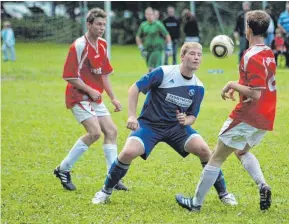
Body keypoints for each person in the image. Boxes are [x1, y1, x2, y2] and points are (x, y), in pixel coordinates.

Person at [91, 42, 237, 206]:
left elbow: (192, 117)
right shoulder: (164, 72)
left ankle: (224, 194)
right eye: (192, 54)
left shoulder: (198, 87)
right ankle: (104, 191)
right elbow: (134, 88)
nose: (196, 57)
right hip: (149, 125)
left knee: (205, 151)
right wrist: (132, 116)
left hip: (176, 128)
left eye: (199, 55)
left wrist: (185, 120)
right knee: (127, 153)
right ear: (182, 56)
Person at [175, 10, 276, 212]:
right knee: (241, 151)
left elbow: (255, 93)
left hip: (248, 115)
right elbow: (258, 83)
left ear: (248, 28)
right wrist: (236, 86)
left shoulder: (250, 55)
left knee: (215, 158)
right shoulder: (268, 52)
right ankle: (263, 185)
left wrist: (231, 83)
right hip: (266, 115)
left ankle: (195, 204)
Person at [54, 8, 127, 191]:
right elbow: (69, 76)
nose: (101, 28)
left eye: (104, 24)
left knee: (111, 131)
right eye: (98, 24)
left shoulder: (102, 44)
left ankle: (113, 177)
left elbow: (104, 74)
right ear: (89, 24)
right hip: (78, 95)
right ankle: (63, 169)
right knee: (95, 133)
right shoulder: (79, 45)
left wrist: (113, 98)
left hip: (95, 97)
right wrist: (90, 90)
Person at [136, 7, 172, 72]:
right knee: (150, 68)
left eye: (150, 14)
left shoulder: (158, 24)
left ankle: (156, 81)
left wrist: (169, 47)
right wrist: (141, 47)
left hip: (157, 49)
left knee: (155, 68)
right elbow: (138, 36)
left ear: (153, 14)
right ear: (145, 15)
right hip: (148, 50)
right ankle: (153, 81)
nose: (149, 16)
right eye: (147, 14)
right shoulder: (143, 25)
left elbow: (167, 35)